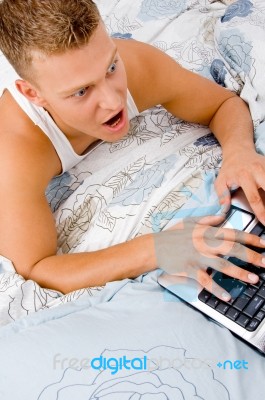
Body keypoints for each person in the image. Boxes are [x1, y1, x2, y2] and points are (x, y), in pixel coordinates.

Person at [0, 0, 265, 299]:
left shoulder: (136, 64)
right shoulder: (14, 153)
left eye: (111, 67)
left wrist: (240, 150)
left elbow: (221, 103)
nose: (114, 101)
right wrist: (159, 247)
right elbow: (36, 268)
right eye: (81, 91)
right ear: (33, 94)